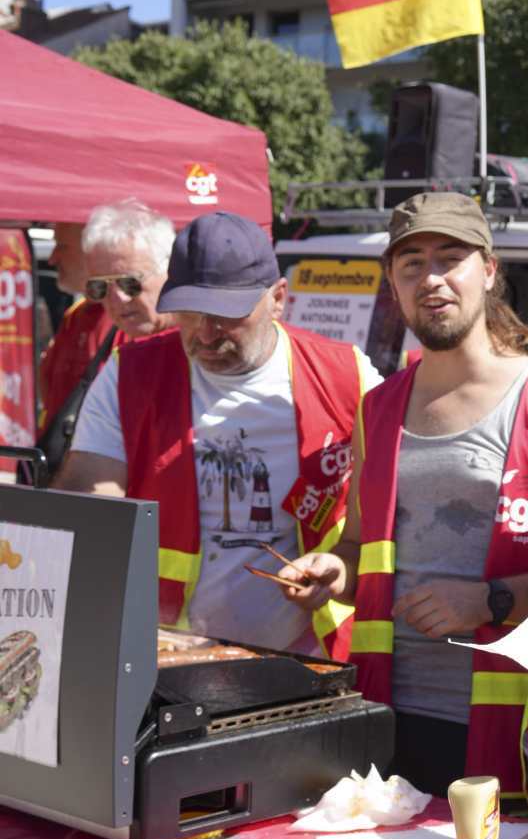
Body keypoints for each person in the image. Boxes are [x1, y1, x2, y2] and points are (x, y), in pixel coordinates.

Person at [277, 191, 528, 807]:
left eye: (449, 258)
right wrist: (332, 570)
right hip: (385, 717)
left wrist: (487, 599)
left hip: (516, 732)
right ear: (393, 286)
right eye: (411, 264)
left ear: (488, 270)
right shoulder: (378, 410)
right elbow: (357, 547)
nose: (431, 278)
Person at [56, 211, 379, 655]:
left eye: (227, 314)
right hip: (171, 654)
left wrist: (343, 566)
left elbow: (389, 519)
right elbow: (90, 498)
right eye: (189, 312)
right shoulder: (130, 373)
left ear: (279, 298)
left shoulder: (347, 374)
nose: (206, 334)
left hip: (314, 657)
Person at [38, 203, 174, 440]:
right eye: (100, 286)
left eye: (129, 282)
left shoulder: (200, 341)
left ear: (169, 270)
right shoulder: (82, 319)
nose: (117, 298)